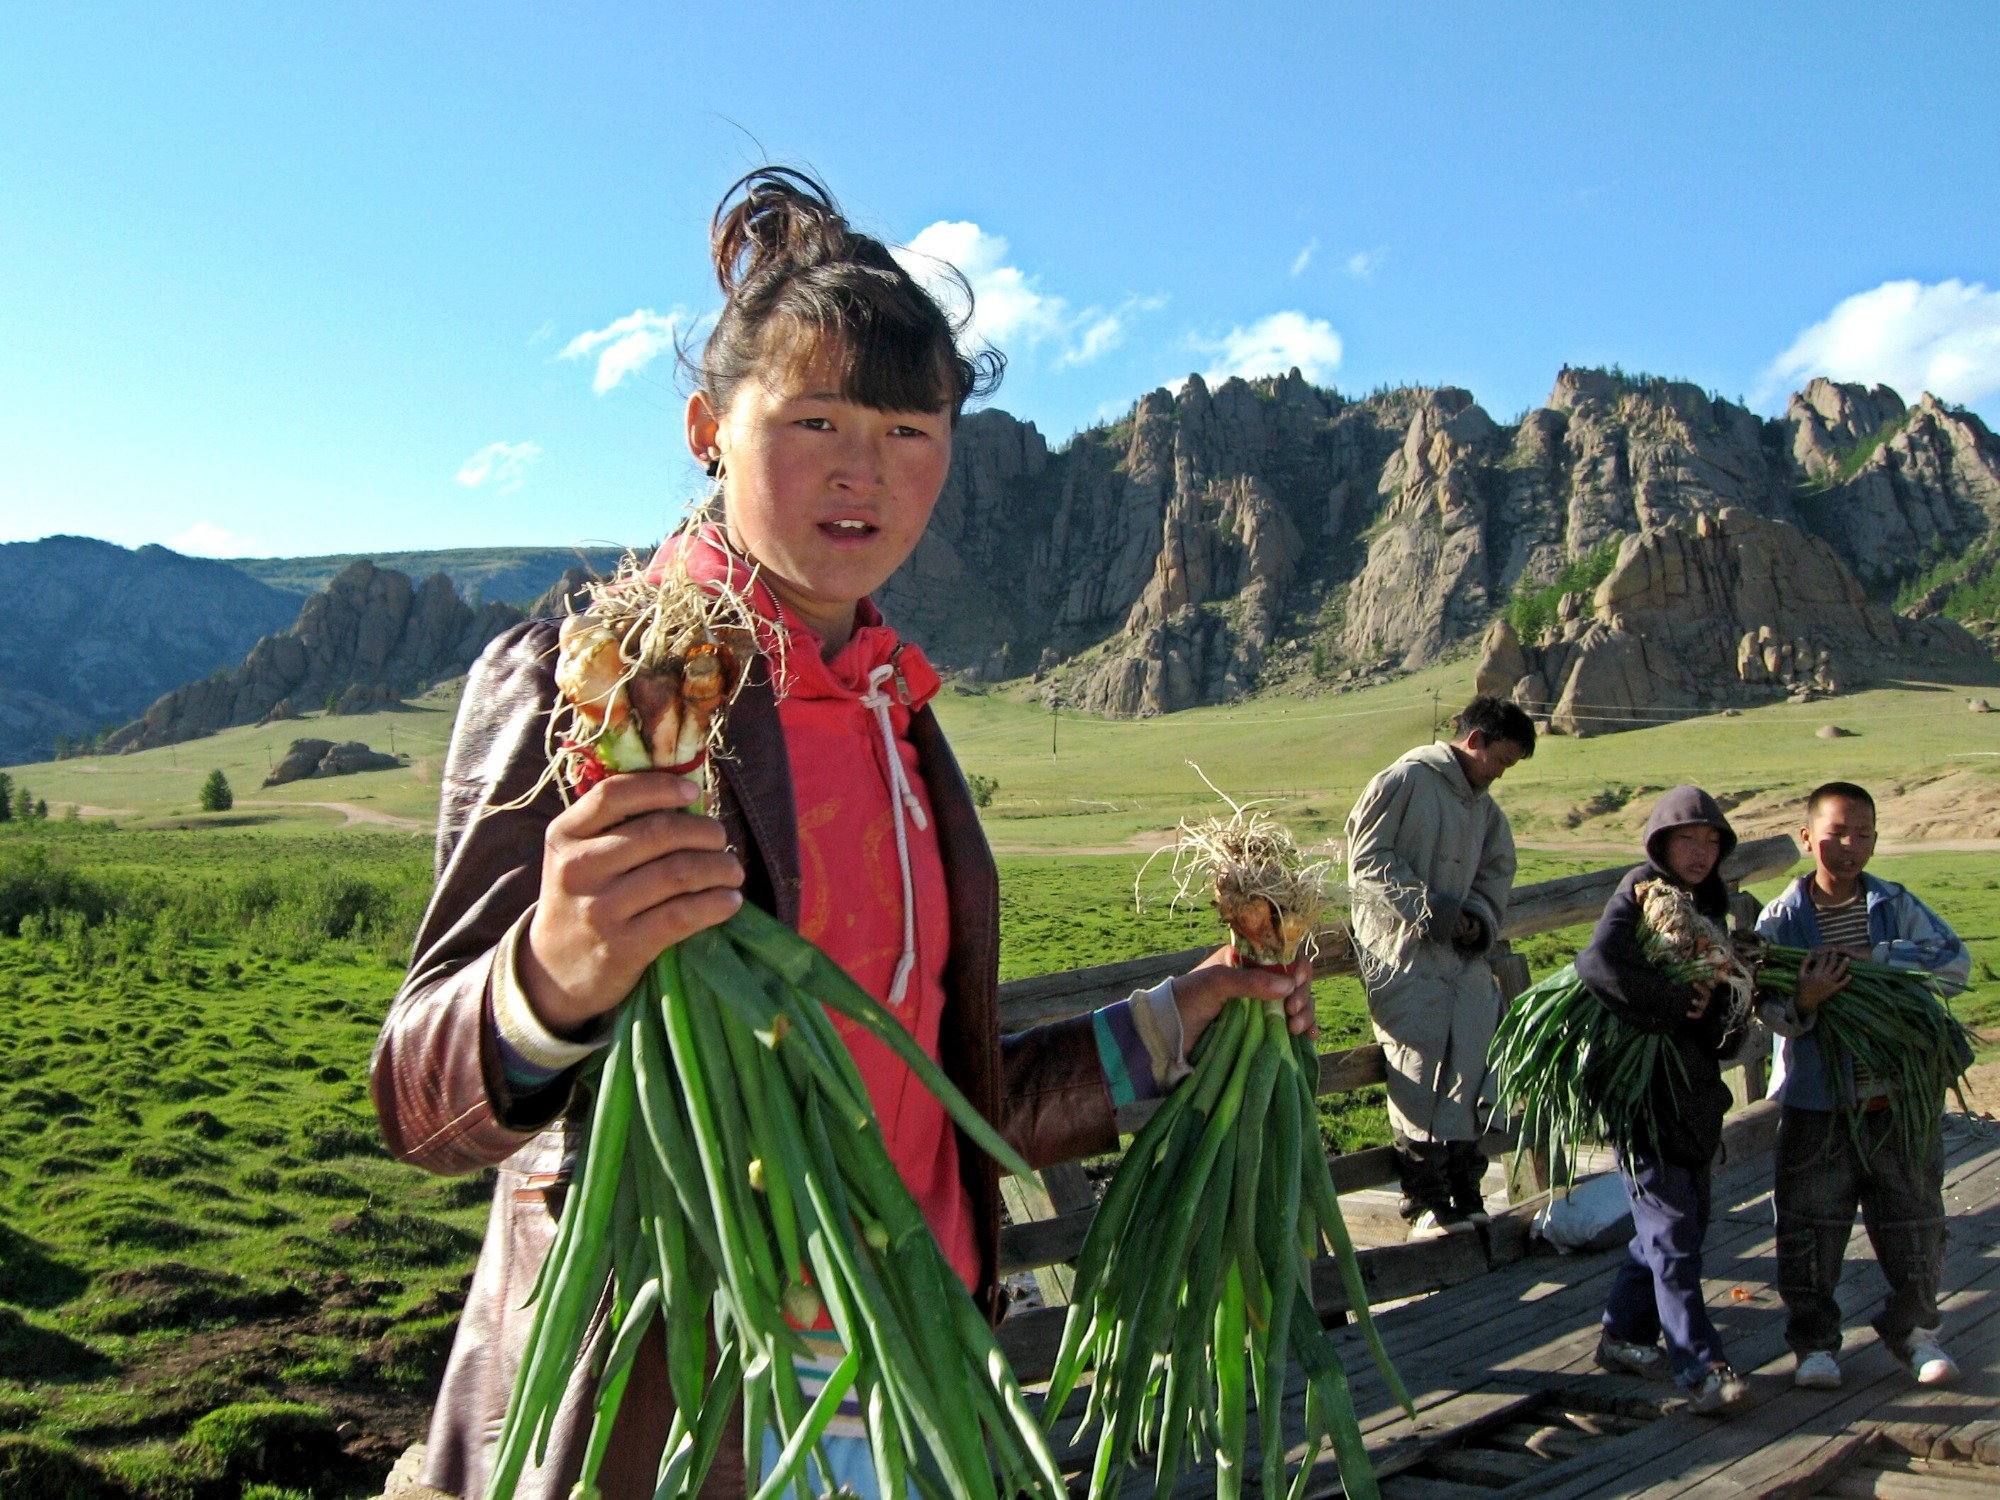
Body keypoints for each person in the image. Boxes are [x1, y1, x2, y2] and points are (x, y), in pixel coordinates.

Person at [368, 168, 1314, 1500]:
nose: (861, 469)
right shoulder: (585, 682)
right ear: (708, 428)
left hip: (908, 1384)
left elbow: (931, 1100)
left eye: (907, 430)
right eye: (813, 419)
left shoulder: (898, 719)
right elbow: (419, 1104)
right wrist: (551, 976)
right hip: (681, 1415)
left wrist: (1182, 1018)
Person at [1755, 781, 1972, 1392]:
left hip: (1897, 1099)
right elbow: (1763, 1006)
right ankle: (1815, 1345)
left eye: (1862, 834)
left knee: (1914, 1220)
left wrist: (1878, 958)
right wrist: (1805, 1000)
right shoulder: (1782, 919)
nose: (1849, 846)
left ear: (1875, 840)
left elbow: (1954, 965)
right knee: (1809, 1227)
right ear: (1807, 838)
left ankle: (1915, 1333)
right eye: (1836, 834)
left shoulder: (1894, 905)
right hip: (1817, 1103)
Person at [1577, 786, 1751, 1416]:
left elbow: (1724, 998)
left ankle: (1623, 1335)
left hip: (1694, 1094)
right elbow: (1598, 963)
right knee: (1674, 1233)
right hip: (1643, 1095)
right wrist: (1676, 1002)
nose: (1700, 853)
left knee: (1683, 1225)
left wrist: (1719, 1008)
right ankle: (1701, 1367)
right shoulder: (1643, 892)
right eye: (1687, 840)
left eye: (1711, 842)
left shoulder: (1712, 905)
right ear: (1660, 843)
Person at [1345, 695, 1532, 1237]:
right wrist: (1435, 912)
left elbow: (1496, 872)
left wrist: (1476, 920)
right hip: (1401, 957)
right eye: (1500, 759)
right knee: (1417, 1073)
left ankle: (1466, 1192)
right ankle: (1425, 1201)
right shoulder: (1404, 781)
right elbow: (1368, 861)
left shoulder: (1485, 811)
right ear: (1474, 741)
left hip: (1460, 965)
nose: (1500, 773)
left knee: (1470, 1066)